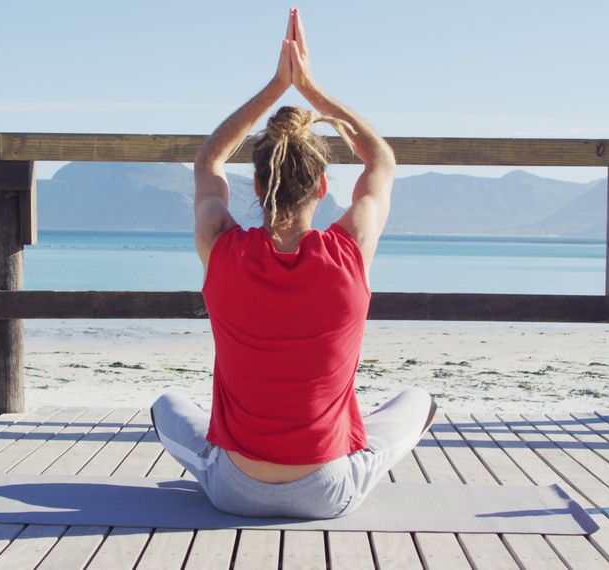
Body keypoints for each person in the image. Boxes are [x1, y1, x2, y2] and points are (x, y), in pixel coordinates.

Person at [151, 8, 436, 519]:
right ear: (324, 187)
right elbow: (381, 162)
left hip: (233, 487)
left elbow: (207, 164)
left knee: (166, 405)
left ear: (257, 186)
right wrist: (309, 88)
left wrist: (273, 88)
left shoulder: (220, 245)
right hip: (328, 489)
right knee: (416, 400)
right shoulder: (349, 252)